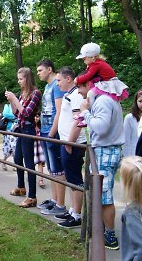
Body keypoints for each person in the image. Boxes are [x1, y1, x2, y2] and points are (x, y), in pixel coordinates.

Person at [77, 71, 125, 250]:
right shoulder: (107, 99)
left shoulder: (103, 101)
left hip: (106, 151)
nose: (79, 92)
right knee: (101, 194)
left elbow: (101, 127)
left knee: (105, 197)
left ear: (90, 85)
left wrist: (86, 112)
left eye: (81, 86)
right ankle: (103, 229)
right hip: (105, 150)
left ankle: (110, 236)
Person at [53, 67, 87, 228]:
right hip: (67, 142)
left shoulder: (76, 96)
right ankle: (73, 210)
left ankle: (77, 215)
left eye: (59, 80)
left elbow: (78, 121)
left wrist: (70, 142)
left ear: (68, 79)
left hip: (73, 144)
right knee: (71, 177)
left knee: (75, 179)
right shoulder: (70, 95)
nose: (57, 83)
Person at [5, 67, 42, 208]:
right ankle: (21, 187)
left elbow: (26, 114)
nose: (19, 81)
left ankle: (32, 196)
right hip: (21, 129)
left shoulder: (35, 93)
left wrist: (15, 99)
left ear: (27, 78)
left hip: (29, 129)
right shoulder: (22, 94)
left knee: (29, 163)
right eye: (18, 79)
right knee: (17, 158)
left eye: (21, 79)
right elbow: (16, 113)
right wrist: (12, 101)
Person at [36, 59, 67, 216]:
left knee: (58, 170)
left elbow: (59, 111)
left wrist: (52, 134)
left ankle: (61, 204)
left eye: (40, 70)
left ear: (49, 69)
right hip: (45, 131)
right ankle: (55, 201)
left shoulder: (57, 85)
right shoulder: (48, 86)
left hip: (52, 133)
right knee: (52, 169)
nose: (38, 73)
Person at [73, 42, 129, 127]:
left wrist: (77, 80)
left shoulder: (96, 64)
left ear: (92, 57)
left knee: (91, 94)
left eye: (84, 59)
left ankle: (87, 114)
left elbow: (88, 75)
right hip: (104, 82)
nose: (84, 61)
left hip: (107, 83)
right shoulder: (97, 63)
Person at [122, 89, 142, 157]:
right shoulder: (129, 118)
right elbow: (126, 140)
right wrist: (128, 158)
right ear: (136, 102)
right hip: (134, 154)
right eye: (141, 101)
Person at [1, 103, 18, 171]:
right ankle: (4, 161)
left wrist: (14, 117)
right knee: (8, 148)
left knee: (15, 147)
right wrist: (15, 117)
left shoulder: (19, 105)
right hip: (9, 129)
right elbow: (5, 114)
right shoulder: (7, 106)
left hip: (16, 130)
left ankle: (15, 164)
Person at [34, 114, 46, 188]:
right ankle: (31, 176)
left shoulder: (41, 127)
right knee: (31, 163)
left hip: (40, 147)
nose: (36, 118)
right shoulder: (30, 127)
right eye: (35, 116)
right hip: (33, 147)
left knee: (40, 163)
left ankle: (40, 180)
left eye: (37, 116)